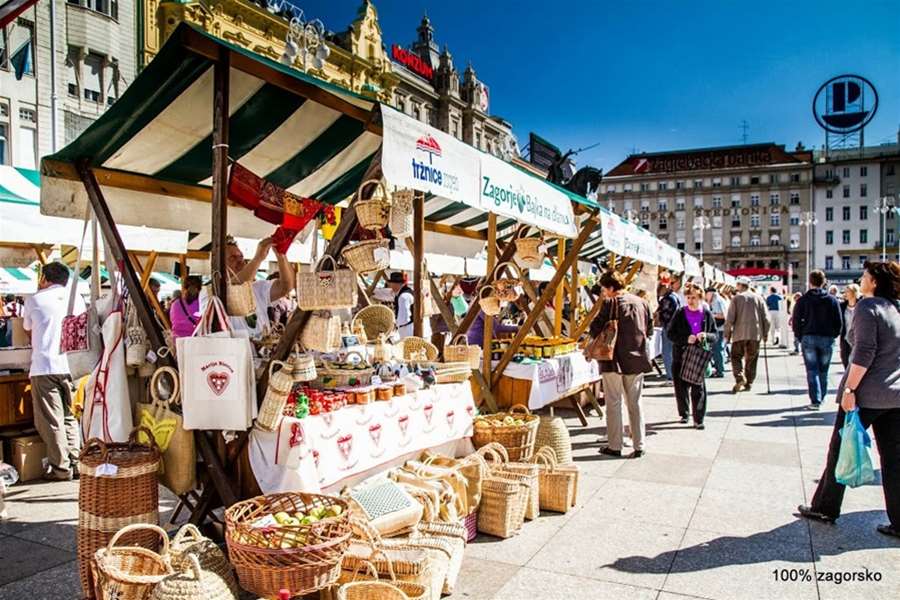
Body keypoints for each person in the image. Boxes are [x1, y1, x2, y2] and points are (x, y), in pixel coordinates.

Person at [799, 261, 900, 539]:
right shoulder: (896, 308)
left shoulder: (869, 307)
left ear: (875, 282)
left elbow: (864, 351)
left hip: (866, 393)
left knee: (839, 447)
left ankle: (825, 507)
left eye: (865, 276)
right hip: (894, 396)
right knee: (894, 459)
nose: (861, 278)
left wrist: (849, 390)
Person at [22, 262, 85, 481]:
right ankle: (76, 463)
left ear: (44, 278)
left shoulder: (34, 299)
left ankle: (61, 468)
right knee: (69, 417)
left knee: (52, 420)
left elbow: (28, 329)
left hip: (44, 366)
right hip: (72, 366)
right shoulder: (76, 298)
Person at [590, 270, 653, 458]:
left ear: (610, 288)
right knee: (635, 402)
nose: (603, 293)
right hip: (637, 358)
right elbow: (648, 330)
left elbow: (595, 329)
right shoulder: (643, 303)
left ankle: (615, 445)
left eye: (604, 289)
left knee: (613, 402)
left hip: (614, 359)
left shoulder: (610, 303)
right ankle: (639, 444)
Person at [202, 236, 295, 339]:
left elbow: (286, 287)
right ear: (217, 264)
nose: (240, 261)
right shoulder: (210, 292)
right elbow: (235, 286)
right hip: (232, 353)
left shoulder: (257, 287)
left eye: (241, 257)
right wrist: (258, 258)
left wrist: (281, 255)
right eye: (233, 258)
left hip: (260, 352)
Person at [667, 283, 718, 429]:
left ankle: (698, 419)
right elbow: (670, 333)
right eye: (688, 297)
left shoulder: (706, 314)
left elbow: (715, 335)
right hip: (681, 356)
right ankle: (684, 414)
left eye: (694, 297)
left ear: (700, 298)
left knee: (699, 388)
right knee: (681, 388)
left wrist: (706, 336)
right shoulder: (680, 313)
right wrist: (685, 338)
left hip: (698, 357)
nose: (690, 300)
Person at [792, 270, 843, 410]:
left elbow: (796, 320)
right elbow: (839, 321)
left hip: (808, 336)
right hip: (827, 337)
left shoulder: (803, 300)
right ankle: (822, 396)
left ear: (810, 282)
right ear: (823, 282)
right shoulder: (832, 300)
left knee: (811, 370)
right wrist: (834, 335)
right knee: (823, 370)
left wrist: (800, 335)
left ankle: (816, 400)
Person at [724, 277, 770, 393]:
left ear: (740, 285)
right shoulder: (759, 298)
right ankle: (749, 383)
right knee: (752, 359)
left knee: (735, 357)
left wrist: (727, 334)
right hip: (755, 334)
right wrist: (765, 334)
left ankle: (739, 378)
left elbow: (730, 319)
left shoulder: (736, 298)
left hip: (739, 334)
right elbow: (766, 318)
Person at [387, 272, 431, 340]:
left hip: (409, 331)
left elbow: (404, 319)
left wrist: (394, 324)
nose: (391, 286)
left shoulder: (403, 297)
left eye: (392, 284)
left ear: (396, 284)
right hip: (417, 329)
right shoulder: (407, 292)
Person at [656, 278, 683, 382]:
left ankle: (671, 375)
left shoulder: (667, 299)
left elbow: (666, 315)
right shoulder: (676, 296)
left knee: (667, 352)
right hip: (677, 328)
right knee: (675, 352)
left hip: (669, 328)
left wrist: (659, 315)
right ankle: (676, 374)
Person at [705, 286, 727, 378]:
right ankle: (719, 369)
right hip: (719, 328)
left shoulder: (717, 301)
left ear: (710, 293)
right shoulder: (717, 300)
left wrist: (711, 315)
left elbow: (723, 315)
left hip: (719, 328)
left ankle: (720, 370)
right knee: (717, 349)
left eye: (706, 293)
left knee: (717, 349)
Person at [838, 283, 861, 368]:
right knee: (845, 359)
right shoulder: (842, 306)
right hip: (845, 337)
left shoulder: (861, 305)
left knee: (857, 361)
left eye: (848, 291)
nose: (845, 293)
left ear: (854, 293)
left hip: (858, 338)